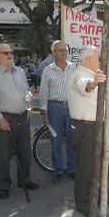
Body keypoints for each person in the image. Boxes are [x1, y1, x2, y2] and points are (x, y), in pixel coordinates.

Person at [67, 45, 109, 217]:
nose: (101, 61)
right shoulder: (79, 75)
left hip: (96, 126)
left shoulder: (93, 73)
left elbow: (108, 86)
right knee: (85, 167)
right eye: (99, 58)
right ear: (89, 59)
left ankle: (102, 196)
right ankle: (82, 202)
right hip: (85, 127)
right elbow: (86, 85)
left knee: (99, 163)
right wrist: (94, 82)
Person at [0, 43, 38, 199]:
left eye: (11, 52)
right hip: (5, 119)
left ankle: (24, 180)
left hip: (23, 117)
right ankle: (3, 185)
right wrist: (0, 119)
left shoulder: (20, 71)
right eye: (5, 52)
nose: (9, 54)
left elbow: (27, 90)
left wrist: (29, 98)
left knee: (25, 152)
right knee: (4, 154)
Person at [39, 40, 76, 184]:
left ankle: (72, 169)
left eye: (65, 50)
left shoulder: (74, 68)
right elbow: (43, 92)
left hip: (71, 107)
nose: (64, 52)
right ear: (54, 53)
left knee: (72, 140)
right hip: (54, 107)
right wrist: (45, 113)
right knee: (56, 140)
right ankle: (58, 171)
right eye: (60, 50)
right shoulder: (48, 70)